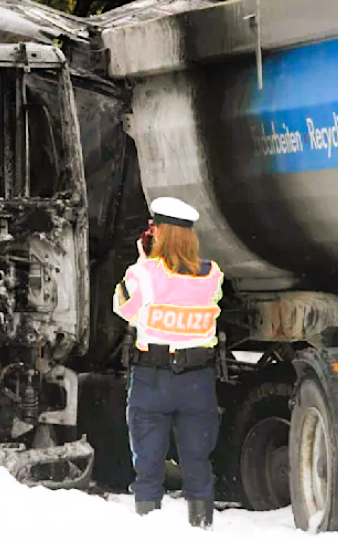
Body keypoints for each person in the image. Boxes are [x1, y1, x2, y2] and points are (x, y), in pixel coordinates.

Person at [113, 196, 224, 529]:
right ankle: (202, 527)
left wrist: (142, 262)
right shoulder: (212, 274)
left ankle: (149, 526)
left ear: (157, 234)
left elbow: (123, 308)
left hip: (152, 380)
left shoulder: (143, 274)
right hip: (198, 382)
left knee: (148, 466)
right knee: (197, 463)